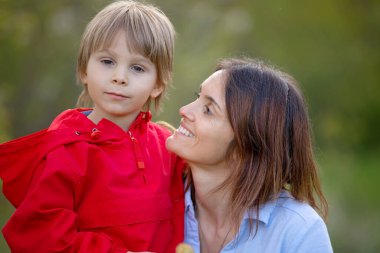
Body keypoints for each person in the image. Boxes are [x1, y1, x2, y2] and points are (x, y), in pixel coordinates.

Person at [0, 1, 184, 252]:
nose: (119, 77)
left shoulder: (169, 148)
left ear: (158, 84)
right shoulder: (65, 151)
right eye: (107, 61)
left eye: (137, 67)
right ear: (85, 69)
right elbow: (42, 237)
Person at [166, 57, 333, 253]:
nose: (184, 110)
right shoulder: (153, 196)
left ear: (245, 146)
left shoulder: (298, 230)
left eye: (208, 110)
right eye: (198, 96)